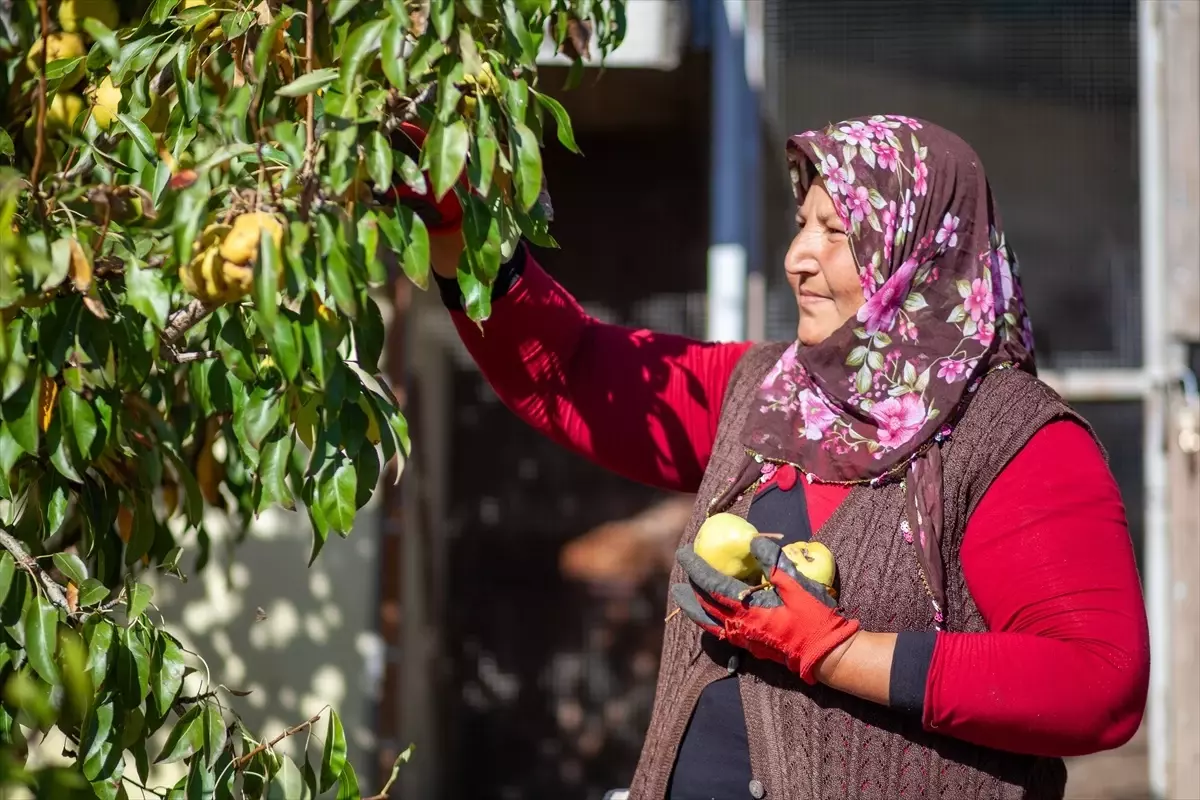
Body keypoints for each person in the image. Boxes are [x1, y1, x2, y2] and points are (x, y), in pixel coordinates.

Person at [390, 115, 1151, 799]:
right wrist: (466, 240)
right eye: (800, 225)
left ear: (920, 249)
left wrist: (837, 651)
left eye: (838, 233)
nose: (797, 258)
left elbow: (1097, 681)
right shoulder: (771, 393)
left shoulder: (1012, 440)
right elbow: (575, 372)